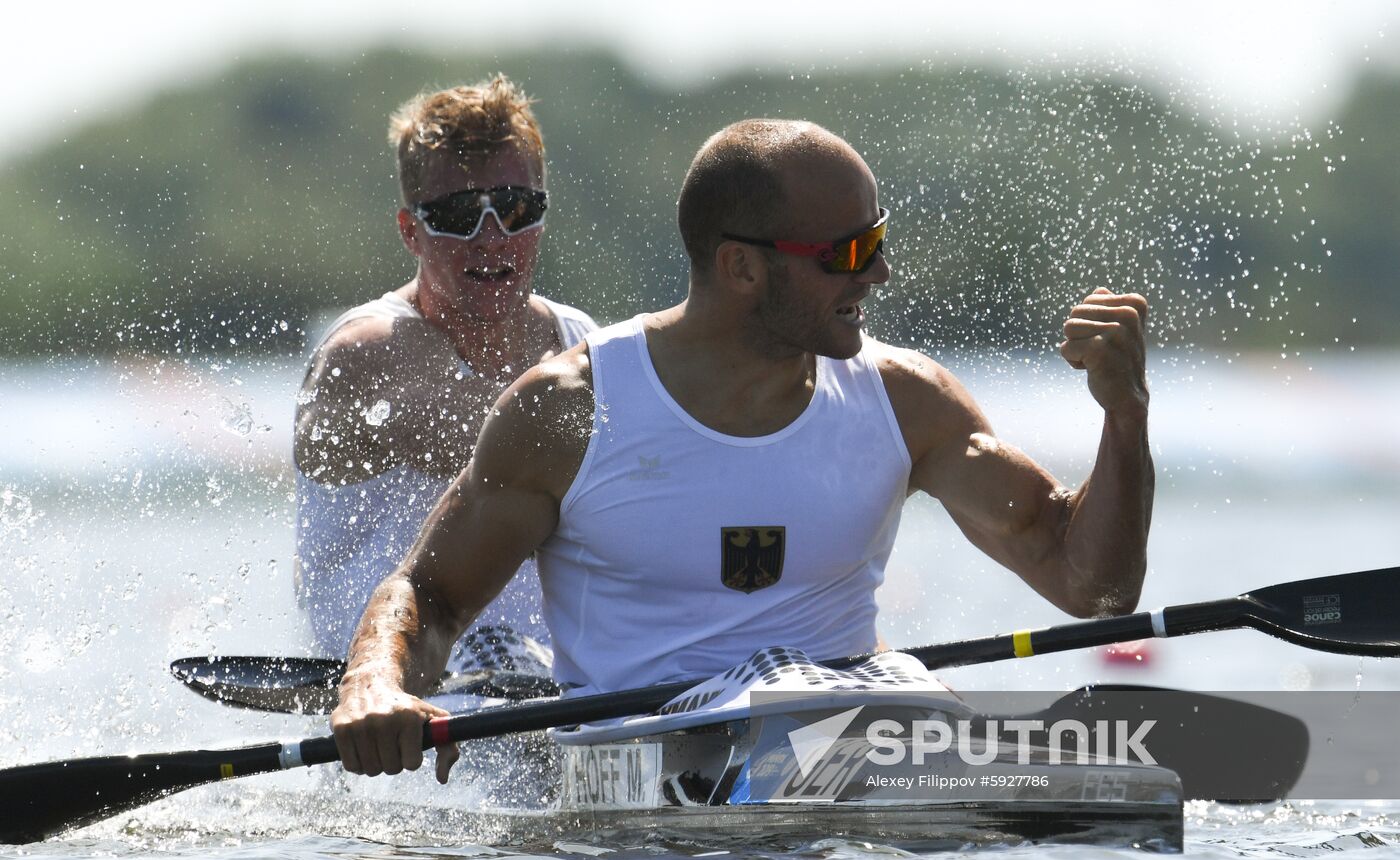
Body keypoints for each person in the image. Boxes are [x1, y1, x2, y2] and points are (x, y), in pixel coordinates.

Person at [330, 119, 1153, 784]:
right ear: (741, 268)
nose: (880, 273)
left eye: (877, 240)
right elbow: (429, 595)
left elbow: (1094, 583)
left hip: (846, 722)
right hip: (645, 750)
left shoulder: (906, 402)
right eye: (849, 254)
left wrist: (1124, 417)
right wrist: (375, 681)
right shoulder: (570, 409)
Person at [293, 75, 596, 684]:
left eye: (514, 209)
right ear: (412, 231)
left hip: (535, 674)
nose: (492, 239)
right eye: (459, 216)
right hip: (390, 669)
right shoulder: (368, 351)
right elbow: (515, 439)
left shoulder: (576, 335)